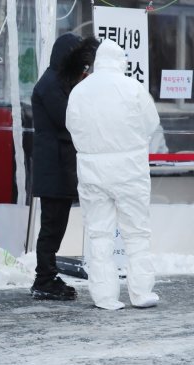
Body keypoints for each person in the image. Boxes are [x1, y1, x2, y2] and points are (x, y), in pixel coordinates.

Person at [66, 39, 160, 310]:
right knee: (137, 233)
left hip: (92, 171)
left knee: (98, 234)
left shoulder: (80, 91)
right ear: (121, 61)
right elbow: (151, 123)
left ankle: (104, 296)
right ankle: (141, 293)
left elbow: (72, 125)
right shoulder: (133, 88)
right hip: (130, 171)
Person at [30, 33, 98, 301]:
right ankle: (44, 279)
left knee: (56, 225)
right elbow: (68, 120)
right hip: (53, 167)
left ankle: (47, 275)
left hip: (59, 166)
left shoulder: (58, 82)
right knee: (51, 226)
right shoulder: (49, 85)